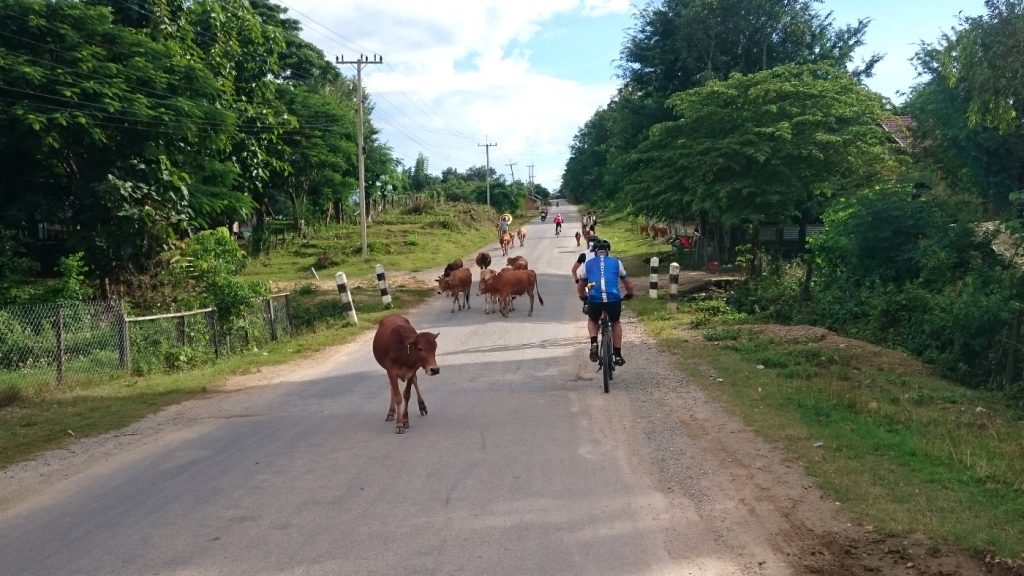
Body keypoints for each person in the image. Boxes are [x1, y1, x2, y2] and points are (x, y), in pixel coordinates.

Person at [572, 238, 634, 366]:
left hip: (594, 299)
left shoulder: (588, 263)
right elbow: (627, 283)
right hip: (613, 299)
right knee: (615, 322)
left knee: (593, 320)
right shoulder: (617, 262)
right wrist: (629, 294)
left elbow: (581, 284)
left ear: (594, 252)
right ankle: (617, 355)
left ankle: (594, 343)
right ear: (608, 252)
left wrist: (583, 296)